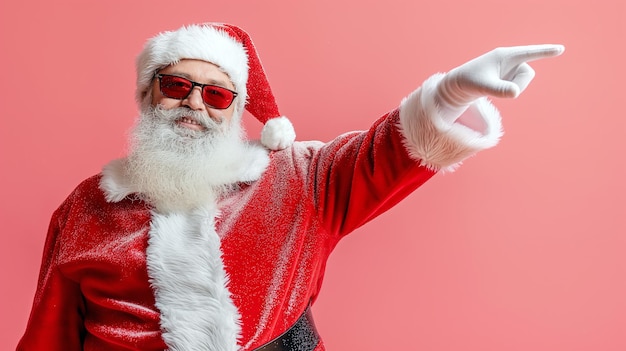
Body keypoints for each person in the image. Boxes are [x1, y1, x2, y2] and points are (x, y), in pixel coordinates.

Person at [17, 23, 563, 351]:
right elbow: (50, 333)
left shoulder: (297, 176)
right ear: (148, 94)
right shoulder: (88, 205)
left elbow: (385, 154)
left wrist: (448, 96)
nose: (194, 103)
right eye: (178, 85)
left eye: (218, 95)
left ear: (236, 110)